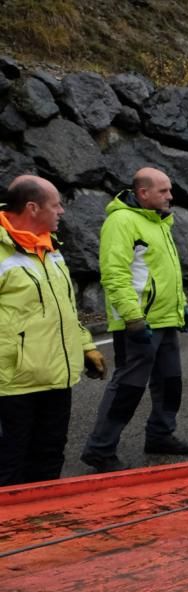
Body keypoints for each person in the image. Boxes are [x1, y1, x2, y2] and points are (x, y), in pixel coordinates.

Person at [81, 167, 188, 473]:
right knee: (129, 387)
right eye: (164, 191)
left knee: (171, 382)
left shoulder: (159, 221)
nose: (170, 196)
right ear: (143, 193)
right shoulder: (121, 222)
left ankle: (160, 434)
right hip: (139, 323)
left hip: (164, 320)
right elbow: (115, 274)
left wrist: (181, 306)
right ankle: (100, 449)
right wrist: (133, 319)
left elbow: (166, 271)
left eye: (169, 190)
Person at [1, 175, 106, 486]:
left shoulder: (51, 248)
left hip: (56, 378)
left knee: (49, 458)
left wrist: (85, 346)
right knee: (9, 465)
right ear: (32, 208)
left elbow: (65, 309)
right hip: (12, 384)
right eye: (56, 205)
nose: (61, 211)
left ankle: (44, 526)